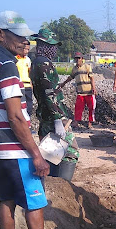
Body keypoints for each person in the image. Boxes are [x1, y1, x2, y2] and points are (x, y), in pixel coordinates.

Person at [0, 11, 67, 229]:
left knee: (6, 200)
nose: (23, 41)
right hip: (15, 149)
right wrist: (36, 155)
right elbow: (15, 115)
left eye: (26, 37)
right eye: (18, 36)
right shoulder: (6, 64)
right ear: (0, 34)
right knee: (35, 201)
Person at [30, 28, 79, 172]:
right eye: (52, 47)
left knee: (51, 152)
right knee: (71, 151)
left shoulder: (35, 63)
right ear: (44, 46)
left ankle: (53, 183)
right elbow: (48, 93)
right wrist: (57, 119)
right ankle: (62, 186)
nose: (54, 50)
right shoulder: (44, 64)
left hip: (45, 114)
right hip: (53, 115)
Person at [58, 51, 96, 128]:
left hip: (89, 92)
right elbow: (70, 78)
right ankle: (76, 122)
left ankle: (90, 122)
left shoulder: (87, 67)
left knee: (91, 108)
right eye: (76, 58)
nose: (77, 60)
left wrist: (94, 88)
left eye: (79, 58)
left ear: (82, 59)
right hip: (80, 92)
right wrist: (63, 83)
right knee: (78, 108)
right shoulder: (74, 69)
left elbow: (92, 78)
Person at [16, 42, 33, 122]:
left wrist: (31, 83)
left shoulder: (28, 60)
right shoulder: (15, 59)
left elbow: (29, 72)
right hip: (19, 85)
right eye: (25, 49)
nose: (26, 51)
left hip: (27, 85)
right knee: (20, 106)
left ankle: (27, 122)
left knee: (29, 106)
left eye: (28, 49)